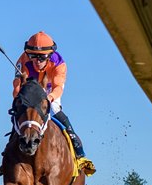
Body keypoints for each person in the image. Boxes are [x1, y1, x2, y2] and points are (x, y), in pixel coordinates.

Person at [12, 31, 94, 172]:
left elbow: (57, 88)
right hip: (30, 89)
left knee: (54, 109)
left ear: (49, 55)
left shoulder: (59, 64)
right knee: (19, 112)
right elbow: (16, 88)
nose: (37, 61)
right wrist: (21, 97)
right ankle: (10, 149)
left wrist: (47, 99)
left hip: (50, 89)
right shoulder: (22, 61)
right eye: (33, 56)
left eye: (42, 57)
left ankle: (79, 152)